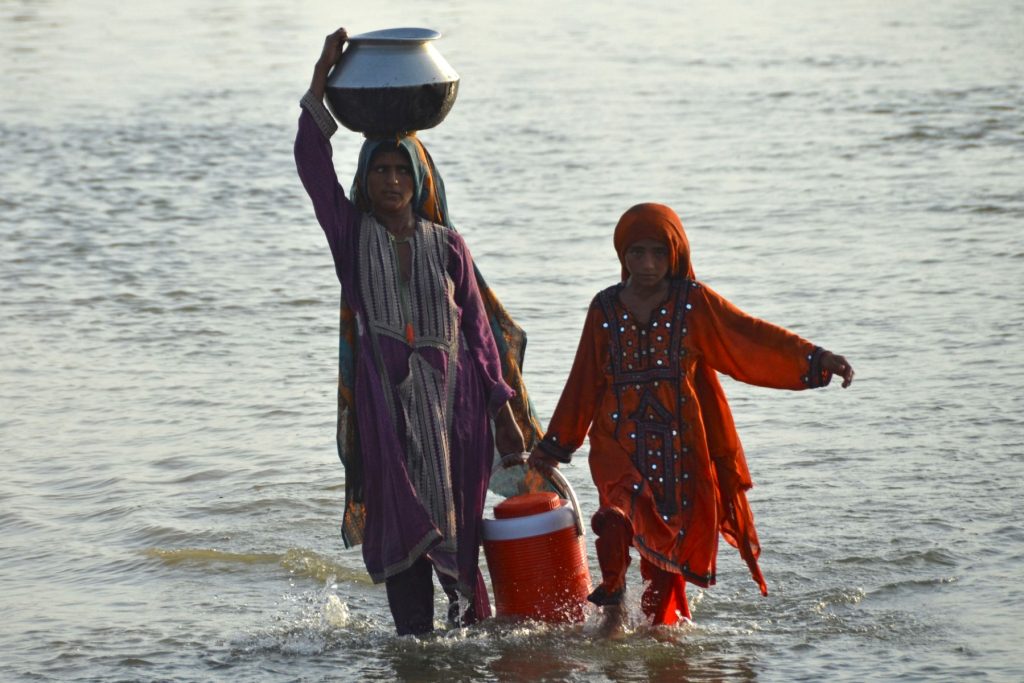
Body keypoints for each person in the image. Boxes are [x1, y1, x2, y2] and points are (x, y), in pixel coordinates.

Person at [294, 27, 539, 635]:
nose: (391, 182)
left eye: (401, 171)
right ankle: (415, 651)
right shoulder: (351, 238)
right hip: (388, 414)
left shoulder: (448, 246)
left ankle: (463, 652)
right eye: (379, 171)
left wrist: (503, 415)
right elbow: (309, 163)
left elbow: (480, 340)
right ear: (366, 180)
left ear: (420, 180)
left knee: (462, 548)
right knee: (403, 537)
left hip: (455, 414)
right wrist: (321, 79)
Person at [528, 203, 854, 637]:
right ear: (622, 255)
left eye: (658, 254)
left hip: (679, 451)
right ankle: (613, 607)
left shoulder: (694, 303)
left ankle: (661, 636)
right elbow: (583, 381)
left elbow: (749, 338)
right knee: (615, 516)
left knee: (665, 553)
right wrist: (555, 446)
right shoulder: (604, 308)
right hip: (616, 443)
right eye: (637, 253)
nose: (647, 264)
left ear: (675, 255)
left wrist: (815, 359)